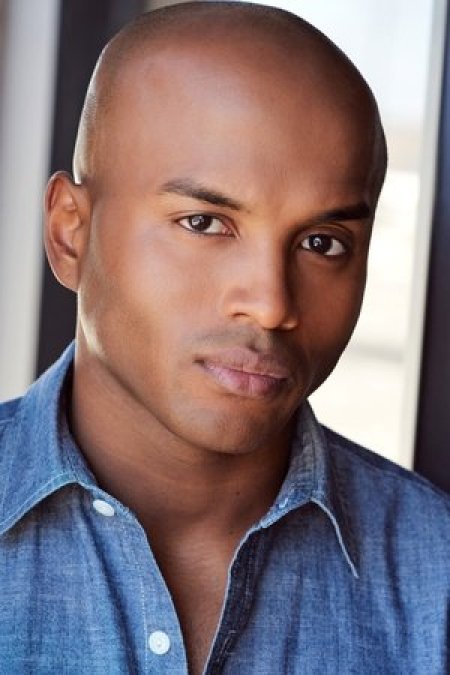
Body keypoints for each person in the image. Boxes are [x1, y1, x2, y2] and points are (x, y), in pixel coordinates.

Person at [0, 2, 448, 673]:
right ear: (71, 234)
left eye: (322, 243)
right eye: (205, 223)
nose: (271, 305)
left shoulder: (436, 579)